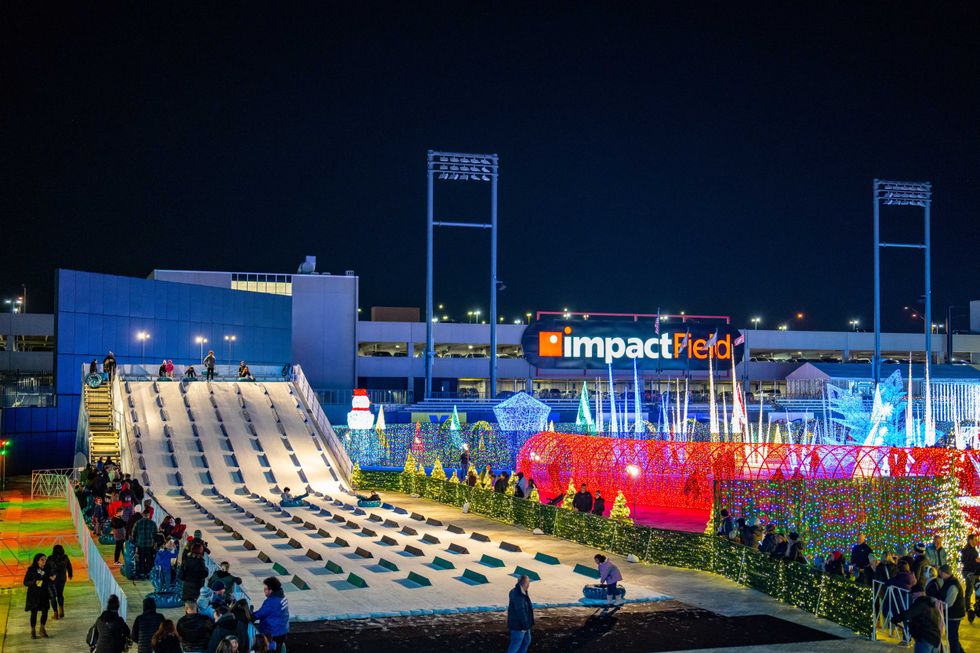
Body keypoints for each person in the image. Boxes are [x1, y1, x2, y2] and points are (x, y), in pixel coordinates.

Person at [892, 584, 942, 653]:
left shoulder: (920, 603)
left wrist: (896, 618)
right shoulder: (931, 603)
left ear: (918, 593)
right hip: (935, 639)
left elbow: (908, 614)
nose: (912, 597)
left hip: (925, 638)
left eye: (912, 594)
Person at [252, 576, 289, 651]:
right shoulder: (283, 596)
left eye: (265, 589)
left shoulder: (271, 602)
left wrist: (250, 615)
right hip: (283, 630)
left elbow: (260, 614)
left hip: (272, 633)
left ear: (271, 590)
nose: (264, 591)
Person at [938, 564, 967, 653]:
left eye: (940, 573)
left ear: (944, 573)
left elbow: (949, 603)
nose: (939, 574)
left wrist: (939, 606)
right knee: (952, 636)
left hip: (954, 615)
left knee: (952, 637)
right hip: (952, 614)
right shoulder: (948, 582)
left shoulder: (953, 585)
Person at [24, 553, 51, 639]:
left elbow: (49, 580)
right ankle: (33, 631)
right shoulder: (31, 570)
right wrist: (34, 582)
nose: (44, 561)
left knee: (45, 611)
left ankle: (42, 629)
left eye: (45, 559)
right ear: (37, 561)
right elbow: (25, 582)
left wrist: (53, 578)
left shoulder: (47, 569)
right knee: (34, 613)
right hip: (34, 595)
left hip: (44, 594)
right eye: (42, 560)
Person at [44, 543, 73, 619]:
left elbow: (46, 568)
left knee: (53, 596)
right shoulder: (65, 558)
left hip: (52, 579)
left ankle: (55, 613)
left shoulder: (50, 558)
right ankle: (61, 610)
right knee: (60, 594)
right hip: (62, 579)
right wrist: (70, 574)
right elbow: (69, 566)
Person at [506, 575, 534, 653]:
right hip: (519, 626)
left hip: (524, 625)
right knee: (515, 645)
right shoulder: (518, 594)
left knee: (526, 641)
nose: (529, 584)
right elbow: (521, 611)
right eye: (528, 582)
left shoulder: (521, 592)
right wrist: (525, 626)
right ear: (525, 583)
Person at [131, 511, 158, 576]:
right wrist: (154, 542)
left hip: (141, 543)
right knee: (149, 559)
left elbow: (133, 533)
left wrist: (135, 541)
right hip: (150, 544)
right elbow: (155, 534)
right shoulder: (153, 523)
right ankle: (149, 572)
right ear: (149, 515)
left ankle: (142, 572)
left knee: (141, 558)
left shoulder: (138, 522)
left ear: (143, 515)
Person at [960, 532, 978, 622]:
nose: (976, 541)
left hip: (974, 572)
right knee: (970, 590)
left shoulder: (973, 549)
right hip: (969, 572)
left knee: (976, 589)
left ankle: (976, 606)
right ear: (970, 540)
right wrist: (975, 560)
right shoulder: (966, 550)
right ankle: (967, 607)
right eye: (975, 540)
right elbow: (964, 561)